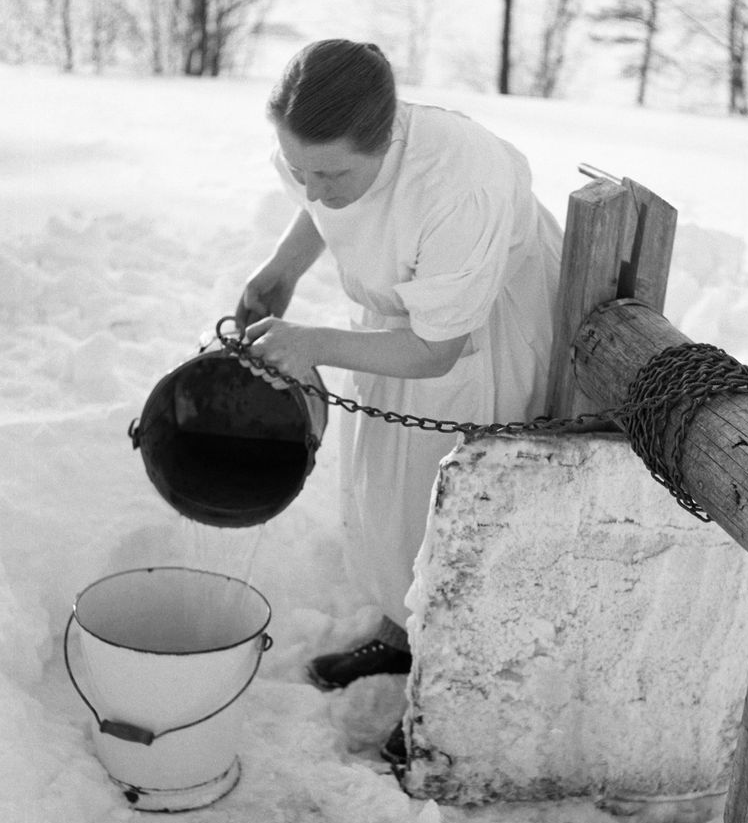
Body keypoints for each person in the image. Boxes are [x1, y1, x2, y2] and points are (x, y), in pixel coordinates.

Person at [234, 39, 562, 762]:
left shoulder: (457, 185)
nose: (313, 189)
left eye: (332, 173)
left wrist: (312, 343)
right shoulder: (331, 153)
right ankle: (400, 627)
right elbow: (320, 206)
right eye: (299, 169)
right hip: (403, 313)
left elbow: (437, 349)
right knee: (388, 484)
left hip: (478, 324)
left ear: (385, 140)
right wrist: (280, 271)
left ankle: (450, 695)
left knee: (451, 501)